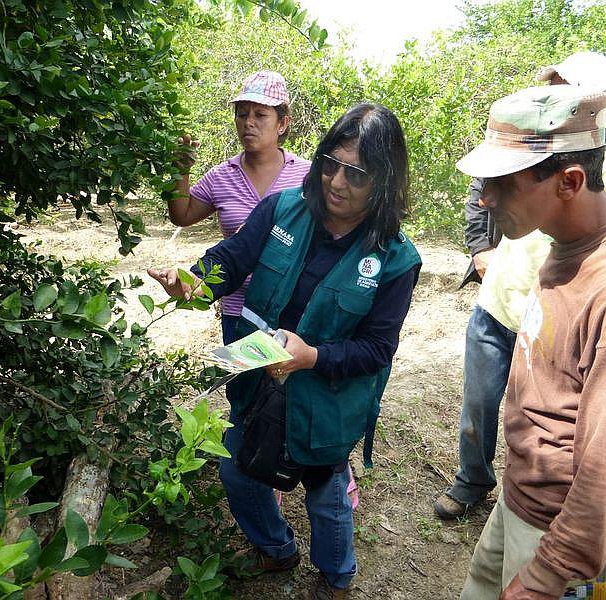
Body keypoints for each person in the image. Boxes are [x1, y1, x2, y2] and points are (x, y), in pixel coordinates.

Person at [149, 103, 422, 599]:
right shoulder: (283, 208)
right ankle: (275, 548)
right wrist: (195, 280)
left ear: (383, 180)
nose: (337, 183)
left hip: (327, 392)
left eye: (356, 173)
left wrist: (312, 358)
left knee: (325, 489)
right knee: (237, 465)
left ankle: (336, 577)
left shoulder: (396, 258)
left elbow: (377, 349)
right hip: (258, 371)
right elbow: (230, 260)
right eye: (329, 165)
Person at [434, 50, 606, 521]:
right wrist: (480, 252)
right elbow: (482, 193)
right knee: (488, 405)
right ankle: (476, 481)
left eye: (565, 89)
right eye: (550, 83)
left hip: (559, 330)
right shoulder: (521, 151)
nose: (551, 96)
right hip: (502, 306)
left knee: (554, 424)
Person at [168, 70, 311, 344]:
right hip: (238, 312)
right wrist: (180, 173)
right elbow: (182, 215)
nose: (248, 123)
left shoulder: (307, 176)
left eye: (260, 115)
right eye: (242, 114)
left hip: (292, 308)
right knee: (242, 384)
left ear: (282, 124)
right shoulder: (222, 176)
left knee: (288, 384)